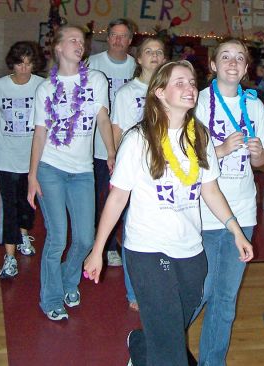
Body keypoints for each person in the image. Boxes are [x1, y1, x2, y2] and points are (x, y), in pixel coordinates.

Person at [83, 60, 254, 366]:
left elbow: (211, 190)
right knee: (172, 353)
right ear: (159, 92)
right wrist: (97, 250)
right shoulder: (138, 140)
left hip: (191, 251)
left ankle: (140, 343)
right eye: (180, 83)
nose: (190, 88)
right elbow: (117, 197)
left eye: (192, 82)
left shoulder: (200, 138)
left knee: (172, 327)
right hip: (147, 250)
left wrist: (236, 231)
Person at [191, 37, 264, 366]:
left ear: (245, 67)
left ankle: (212, 362)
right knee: (201, 292)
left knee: (225, 299)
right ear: (212, 64)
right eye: (225, 56)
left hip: (242, 214)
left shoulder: (254, 106)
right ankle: (155, 345)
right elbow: (184, 159)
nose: (232, 62)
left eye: (239, 57)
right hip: (204, 213)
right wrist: (220, 149)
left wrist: (260, 154)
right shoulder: (195, 102)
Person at [27, 25, 115, 321]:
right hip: (50, 168)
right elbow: (40, 133)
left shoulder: (96, 80)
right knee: (57, 237)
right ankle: (50, 298)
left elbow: (103, 118)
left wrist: (112, 151)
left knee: (85, 239)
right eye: (73, 40)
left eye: (82, 40)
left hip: (83, 171)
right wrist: (31, 176)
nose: (80, 44)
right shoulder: (45, 88)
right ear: (59, 48)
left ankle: (67, 280)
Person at [0, 41, 45, 279]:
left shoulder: (41, 86)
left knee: (27, 204)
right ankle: (9, 257)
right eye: (20, 63)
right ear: (13, 64)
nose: (24, 68)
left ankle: (23, 233)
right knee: (9, 206)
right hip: (6, 156)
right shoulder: (0, 86)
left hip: (32, 157)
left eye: (29, 63)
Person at [112, 36, 166, 311]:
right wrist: (114, 158)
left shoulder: (172, 90)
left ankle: (160, 282)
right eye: (149, 51)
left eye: (159, 52)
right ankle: (134, 291)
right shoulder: (126, 93)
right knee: (133, 230)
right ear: (139, 59)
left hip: (165, 171)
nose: (154, 56)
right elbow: (117, 131)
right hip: (135, 171)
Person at [88, 18, 136, 267]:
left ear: (130, 40)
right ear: (107, 38)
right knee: (101, 198)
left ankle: (119, 244)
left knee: (126, 199)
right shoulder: (94, 64)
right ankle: (102, 246)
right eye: (114, 35)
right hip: (98, 146)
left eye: (123, 36)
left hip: (129, 148)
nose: (118, 40)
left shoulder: (136, 67)